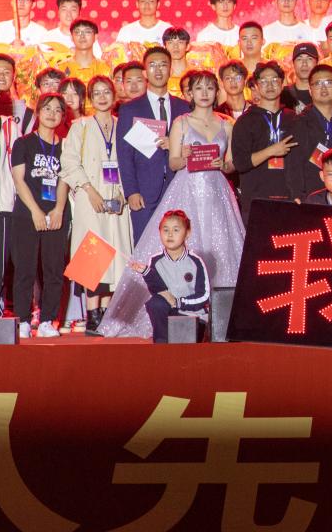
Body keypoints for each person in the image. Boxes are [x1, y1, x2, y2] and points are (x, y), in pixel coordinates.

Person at [99, 69, 245, 339]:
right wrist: (186, 156)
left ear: (217, 92)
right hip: (188, 188)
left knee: (222, 249)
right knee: (185, 241)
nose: (204, 93)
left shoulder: (227, 124)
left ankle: (221, 319)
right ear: (190, 93)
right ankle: (180, 311)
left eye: (209, 88)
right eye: (198, 88)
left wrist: (223, 165)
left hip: (216, 191)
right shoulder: (181, 122)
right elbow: (173, 162)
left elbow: (231, 163)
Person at [59, 75, 131, 334]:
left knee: (116, 253)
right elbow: (69, 162)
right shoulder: (81, 126)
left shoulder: (123, 125)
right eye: (96, 93)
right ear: (90, 98)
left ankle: (108, 313)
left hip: (117, 199)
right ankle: (92, 314)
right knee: (93, 252)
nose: (102, 97)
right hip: (90, 197)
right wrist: (89, 191)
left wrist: (123, 192)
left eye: (106, 92)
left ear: (114, 95)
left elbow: (131, 162)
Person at [117, 46, 191, 243]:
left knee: (179, 244)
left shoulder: (184, 107)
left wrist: (175, 146)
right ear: (145, 72)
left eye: (163, 65)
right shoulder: (130, 109)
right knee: (144, 245)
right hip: (144, 191)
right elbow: (124, 155)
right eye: (152, 65)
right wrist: (131, 191)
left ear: (171, 69)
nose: (158, 70)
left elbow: (191, 146)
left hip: (178, 187)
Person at [11, 93, 69, 338]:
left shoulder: (66, 145)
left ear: (63, 116)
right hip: (27, 213)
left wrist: (59, 209)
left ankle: (47, 321)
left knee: (54, 270)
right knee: (25, 269)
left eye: (57, 110)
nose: (52, 114)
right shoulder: (23, 143)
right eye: (47, 108)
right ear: (37, 113)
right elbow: (19, 180)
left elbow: (65, 179)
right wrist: (35, 211)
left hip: (56, 213)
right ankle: (23, 320)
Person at [232, 61, 298, 222]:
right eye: (264, 81)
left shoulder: (294, 119)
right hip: (256, 201)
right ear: (256, 86)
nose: (270, 85)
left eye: (274, 80)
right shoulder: (245, 121)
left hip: (289, 200)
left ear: (282, 83)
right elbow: (240, 163)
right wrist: (271, 151)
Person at [140, 210, 211, 344]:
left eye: (176, 230)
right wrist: (146, 272)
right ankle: (161, 344)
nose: (170, 234)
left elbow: (204, 296)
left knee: (184, 343)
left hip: (193, 315)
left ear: (187, 233)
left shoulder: (195, 261)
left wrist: (178, 302)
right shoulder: (155, 260)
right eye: (165, 230)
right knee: (155, 303)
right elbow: (157, 291)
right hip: (170, 314)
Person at [286, 65, 332, 201]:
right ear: (310, 90)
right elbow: (293, 164)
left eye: (328, 82)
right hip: (311, 196)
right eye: (317, 83)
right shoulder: (298, 123)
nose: (323, 88)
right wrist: (297, 194)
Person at [283, 42, 318, 112]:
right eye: (299, 59)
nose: (304, 63)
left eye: (309, 59)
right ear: (293, 64)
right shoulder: (284, 95)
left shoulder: (324, 92)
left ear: (317, 63)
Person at [162, 27, 191, 98]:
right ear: (164, 47)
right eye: (170, 42)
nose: (175, 46)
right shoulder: (160, 75)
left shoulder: (195, 73)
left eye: (180, 42)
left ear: (187, 46)